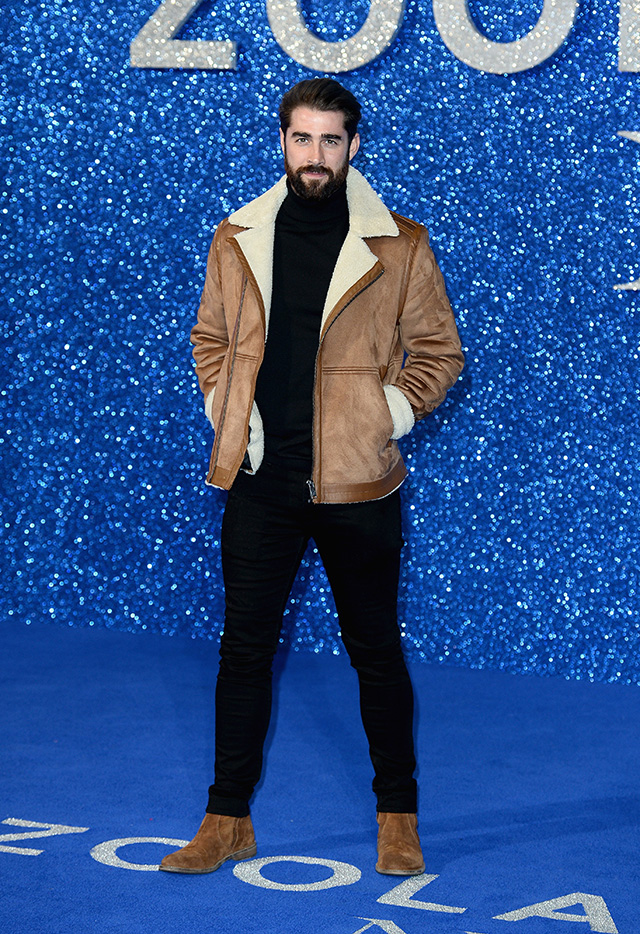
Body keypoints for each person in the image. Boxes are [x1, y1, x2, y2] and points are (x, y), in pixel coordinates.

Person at [160, 78, 464, 877]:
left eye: (332, 140)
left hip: (358, 486)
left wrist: (385, 414)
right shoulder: (238, 236)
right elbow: (210, 339)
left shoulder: (400, 244)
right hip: (262, 481)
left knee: (375, 652)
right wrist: (230, 411)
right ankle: (226, 818)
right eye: (303, 139)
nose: (316, 155)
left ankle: (398, 815)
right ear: (283, 143)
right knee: (243, 652)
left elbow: (439, 353)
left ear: (353, 146)